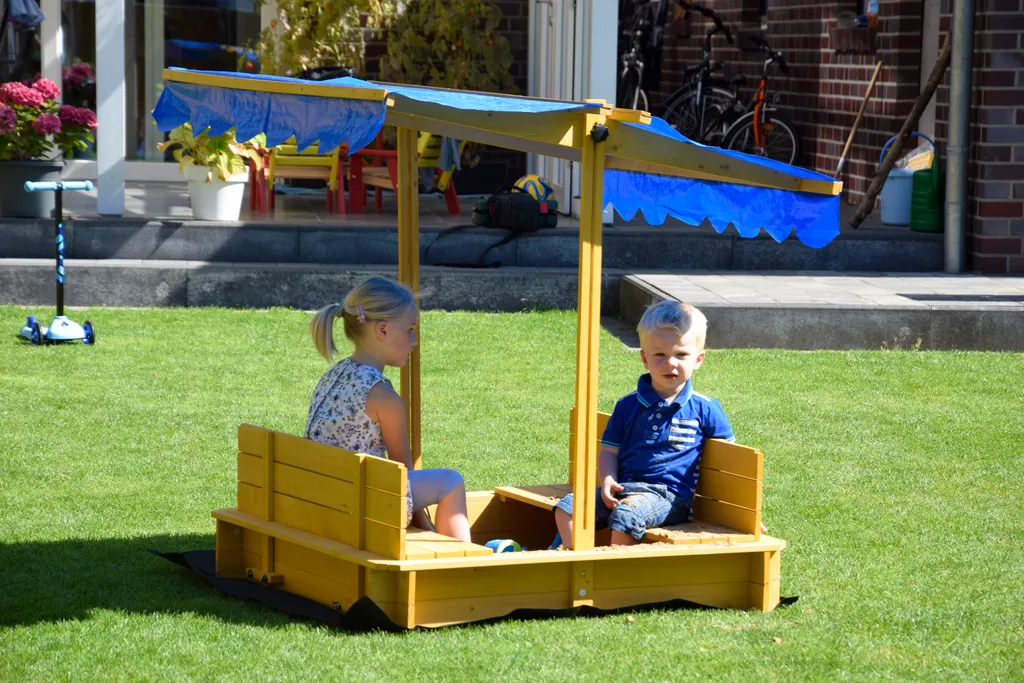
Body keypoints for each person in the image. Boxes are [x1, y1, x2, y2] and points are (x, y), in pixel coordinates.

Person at [553, 300, 734, 549]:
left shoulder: (705, 408)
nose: (670, 363)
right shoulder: (628, 405)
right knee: (568, 507)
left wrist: (740, 516)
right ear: (645, 359)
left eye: (681, 354)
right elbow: (609, 450)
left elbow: (731, 466)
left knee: (626, 515)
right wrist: (607, 481)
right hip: (623, 489)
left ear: (698, 359)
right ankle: (576, 563)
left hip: (669, 497)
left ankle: (615, 573)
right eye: (660, 354)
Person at [305, 276, 471, 542]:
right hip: (362, 503)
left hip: (322, 495)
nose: (414, 340)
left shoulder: (334, 374)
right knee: (450, 481)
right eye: (409, 330)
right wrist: (421, 523)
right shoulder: (383, 396)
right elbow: (402, 472)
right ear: (382, 331)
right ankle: (463, 563)